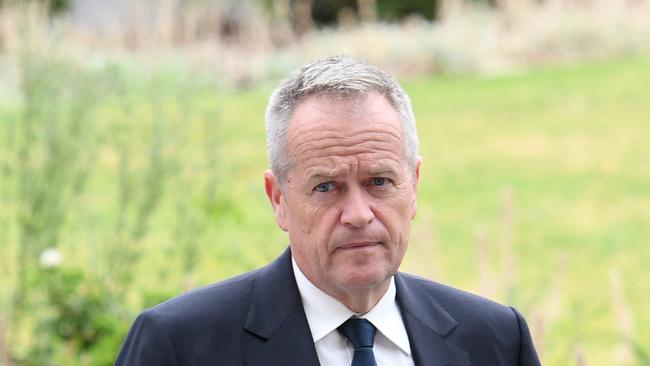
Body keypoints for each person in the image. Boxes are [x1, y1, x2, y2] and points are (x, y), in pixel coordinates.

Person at [115, 56, 541, 366]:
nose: (358, 214)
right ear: (278, 198)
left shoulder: (496, 339)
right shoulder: (178, 347)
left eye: (379, 181)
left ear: (413, 186)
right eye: (326, 187)